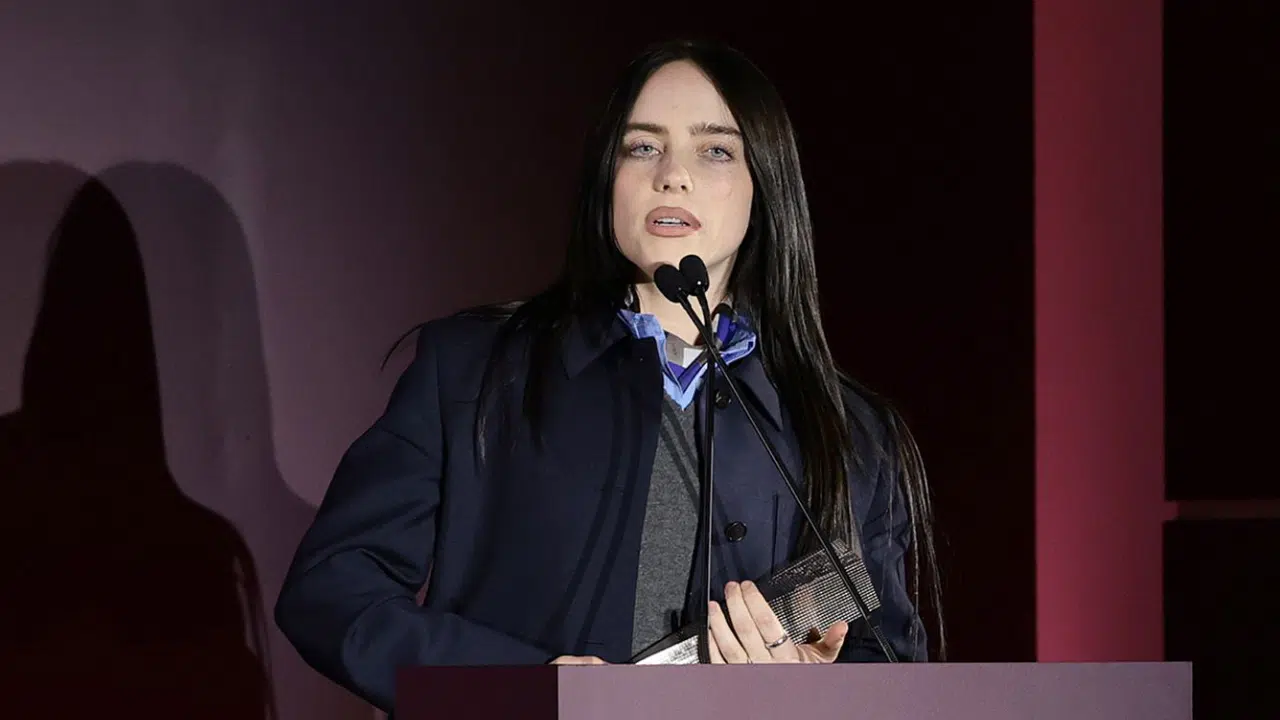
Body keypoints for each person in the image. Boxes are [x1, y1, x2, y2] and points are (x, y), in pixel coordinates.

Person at [275, 38, 942, 713]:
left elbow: (891, 677)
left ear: (764, 187)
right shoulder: (474, 370)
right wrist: (527, 690)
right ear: (607, 177)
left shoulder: (852, 433)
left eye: (715, 150)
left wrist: (808, 696)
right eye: (642, 147)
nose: (671, 176)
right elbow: (332, 591)